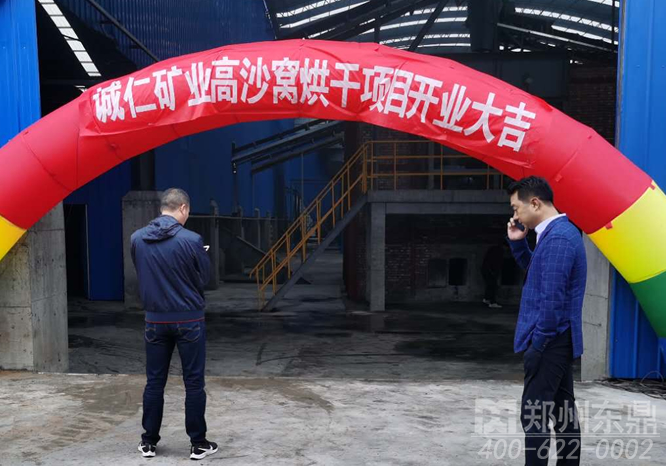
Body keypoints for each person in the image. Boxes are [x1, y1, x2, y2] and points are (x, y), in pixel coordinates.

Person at [131, 188, 217, 460]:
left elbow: (142, 271)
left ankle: (148, 442)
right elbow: (204, 278)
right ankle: (198, 443)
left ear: (162, 207)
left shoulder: (137, 238)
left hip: (155, 320)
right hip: (189, 320)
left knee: (154, 382)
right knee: (194, 383)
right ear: (183, 208)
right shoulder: (192, 240)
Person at [506, 176, 586, 465]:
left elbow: (552, 299)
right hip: (558, 339)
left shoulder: (559, 238)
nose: (516, 215)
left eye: (516, 208)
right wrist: (518, 244)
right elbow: (539, 273)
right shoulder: (554, 234)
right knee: (563, 413)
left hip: (551, 341)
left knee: (534, 416)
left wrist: (537, 346)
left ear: (535, 203)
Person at [481, 242, 505, 308]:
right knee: (493, 286)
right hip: (490, 270)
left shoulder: (493, 249)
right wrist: (494, 272)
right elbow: (496, 263)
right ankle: (492, 302)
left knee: (490, 285)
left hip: (486, 269)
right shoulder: (499, 251)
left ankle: (486, 299)